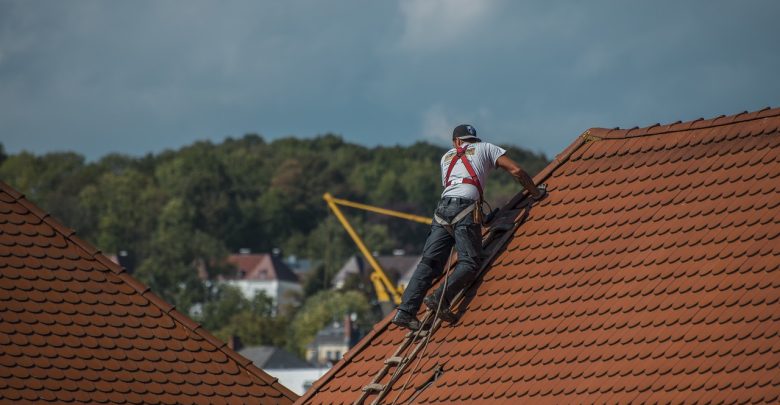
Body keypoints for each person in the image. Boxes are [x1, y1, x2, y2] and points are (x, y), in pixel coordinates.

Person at [391, 124, 545, 331]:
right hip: (465, 208)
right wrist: (535, 193)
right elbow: (516, 170)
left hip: (442, 211)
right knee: (470, 262)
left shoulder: (446, 158)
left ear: (456, 142)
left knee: (429, 263)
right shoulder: (487, 148)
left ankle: (405, 311)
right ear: (473, 140)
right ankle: (440, 299)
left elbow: (457, 186)